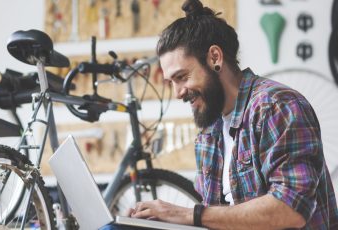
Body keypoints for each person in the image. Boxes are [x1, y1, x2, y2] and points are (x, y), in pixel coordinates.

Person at [103, 0, 338, 229]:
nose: (177, 93)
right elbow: (217, 218)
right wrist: (167, 222)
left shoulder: (276, 106)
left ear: (215, 58)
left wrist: (186, 214)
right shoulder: (210, 130)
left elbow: (291, 210)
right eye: (171, 82)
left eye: (182, 77)